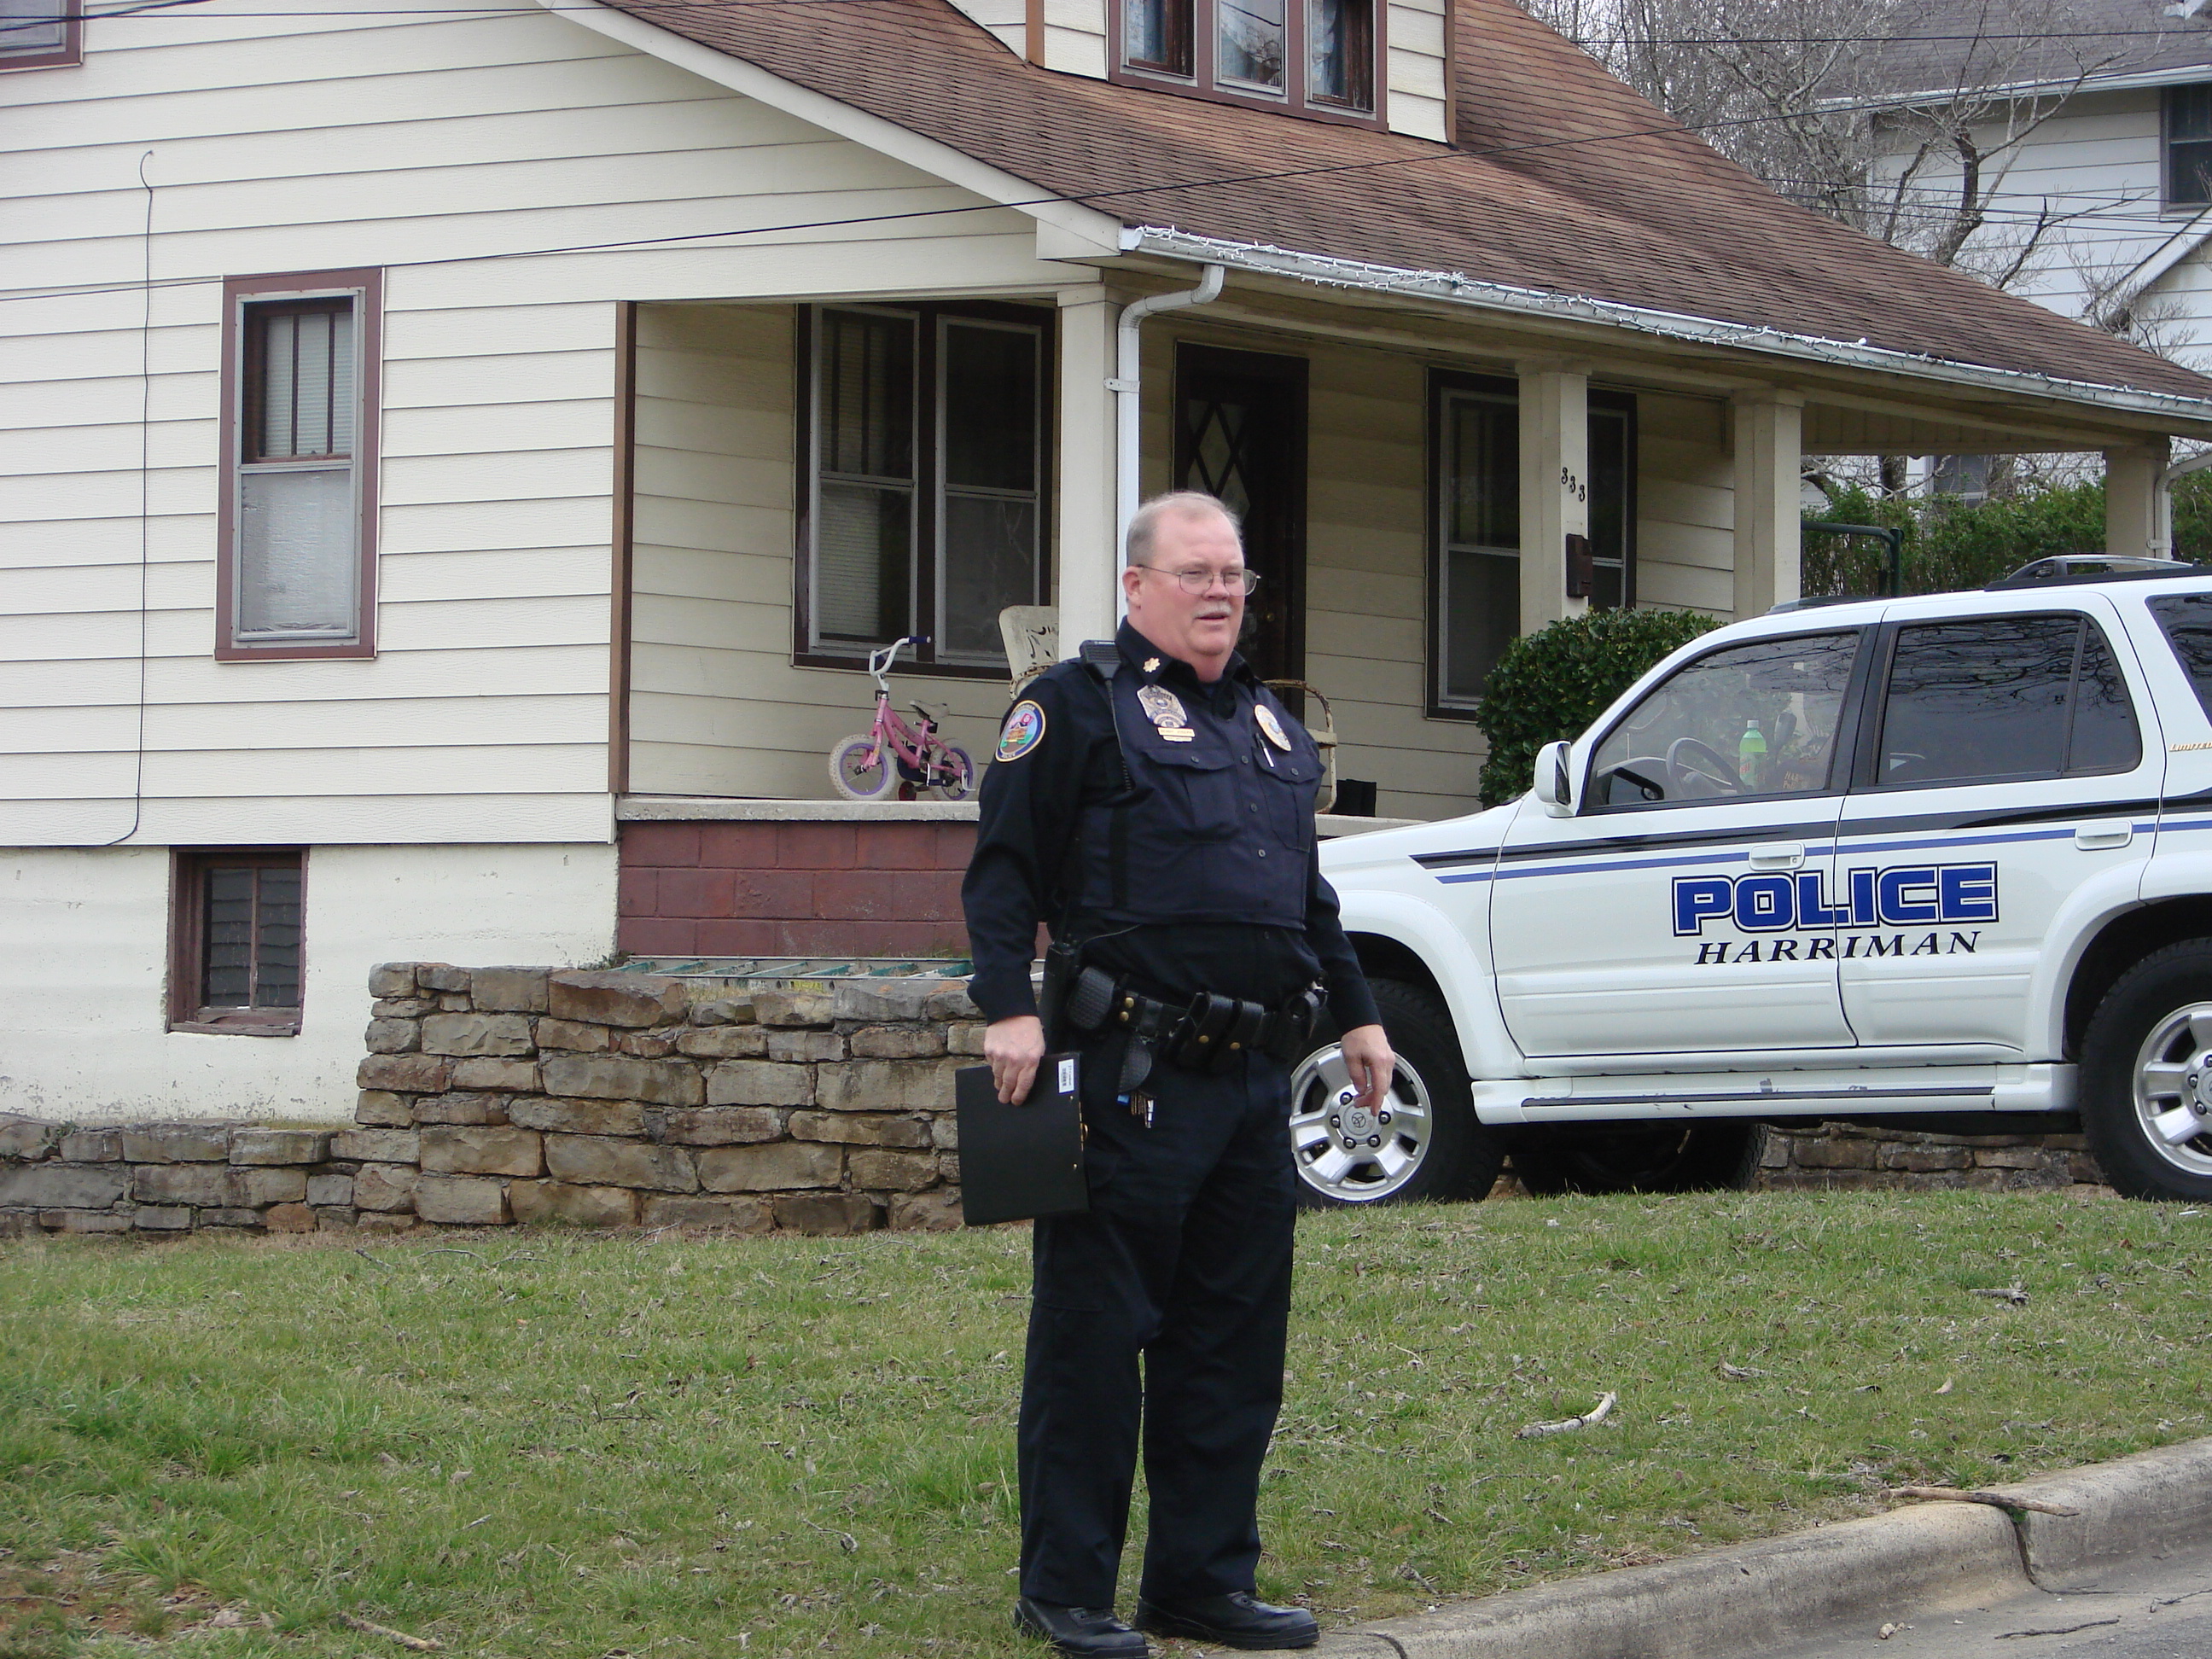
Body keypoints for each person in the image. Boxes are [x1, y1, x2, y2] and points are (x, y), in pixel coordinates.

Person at [962, 491, 1396, 1656]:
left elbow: (1307, 897)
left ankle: (1202, 1582)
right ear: (1136, 586)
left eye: (1233, 575)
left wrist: (1359, 1017)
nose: (1218, 593)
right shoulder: (1072, 707)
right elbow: (1002, 870)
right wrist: (1008, 1007)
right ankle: (1066, 1591)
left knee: (1231, 1343)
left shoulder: (1269, 724)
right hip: (1127, 1075)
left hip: (1251, 1082)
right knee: (1095, 1341)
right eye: (1195, 572)